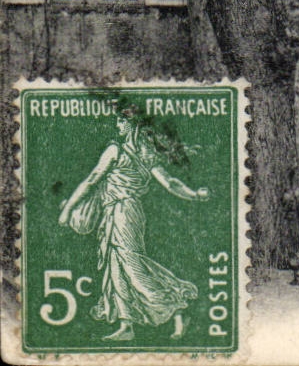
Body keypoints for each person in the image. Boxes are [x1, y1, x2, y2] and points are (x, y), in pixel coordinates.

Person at [57, 110, 210, 340]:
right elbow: (171, 184)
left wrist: (68, 209)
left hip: (124, 212)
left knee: (131, 264)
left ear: (133, 126)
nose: (118, 124)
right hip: (118, 212)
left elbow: (91, 180)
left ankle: (177, 307)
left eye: (121, 120)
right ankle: (126, 325)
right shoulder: (147, 157)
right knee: (117, 265)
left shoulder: (116, 150)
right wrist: (195, 194)